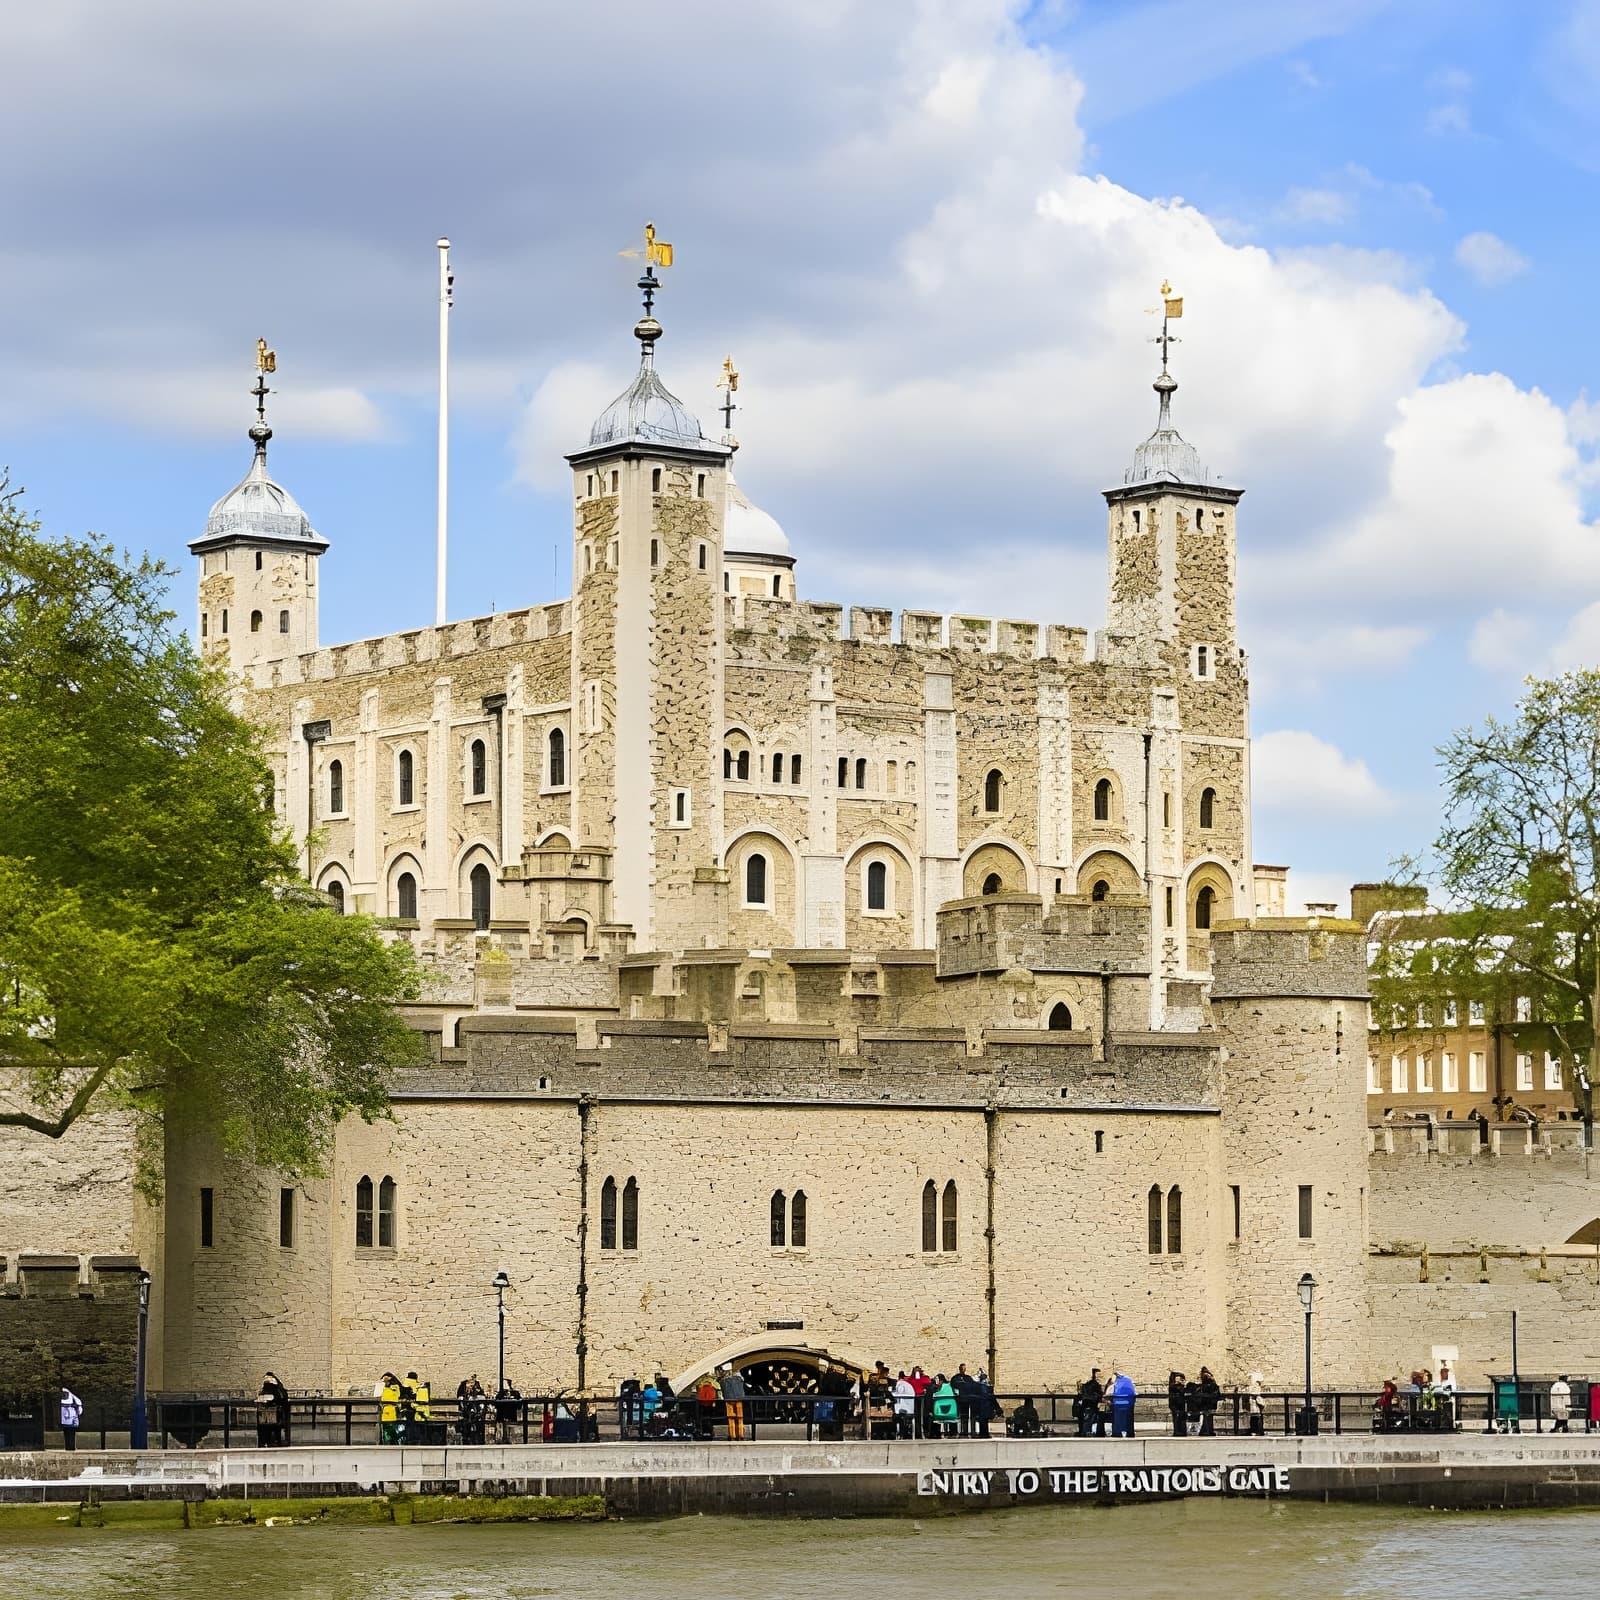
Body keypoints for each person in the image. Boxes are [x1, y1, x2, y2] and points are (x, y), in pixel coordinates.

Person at [1075, 1368, 1104, 1438]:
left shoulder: (1085, 1386)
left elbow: (1082, 1394)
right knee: (1089, 1418)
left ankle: (1084, 1432)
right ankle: (1086, 1432)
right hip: (1091, 1404)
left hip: (1085, 1404)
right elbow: (1099, 1394)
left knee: (1086, 1418)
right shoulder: (1094, 1385)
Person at [721, 1364, 747, 1441]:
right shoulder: (739, 1378)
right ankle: (740, 1435)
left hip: (728, 1400)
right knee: (740, 1417)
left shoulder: (723, 1380)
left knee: (730, 1418)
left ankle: (732, 1435)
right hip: (739, 1399)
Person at [951, 1363, 978, 1437]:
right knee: (957, 1416)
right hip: (958, 1399)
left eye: (964, 1369)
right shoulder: (955, 1378)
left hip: (967, 1399)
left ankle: (965, 1431)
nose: (963, 1370)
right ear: (959, 1369)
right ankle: (956, 1432)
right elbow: (952, 1386)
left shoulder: (968, 1378)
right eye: (962, 1368)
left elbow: (972, 1386)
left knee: (965, 1416)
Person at [1108, 1370, 1137, 1438]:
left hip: (1117, 1404)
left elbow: (1108, 1394)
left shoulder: (1115, 1384)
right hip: (1128, 1403)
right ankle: (1130, 1432)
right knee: (1128, 1419)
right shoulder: (1128, 1381)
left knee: (1117, 1420)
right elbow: (1133, 1393)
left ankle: (1117, 1432)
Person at [695, 1370, 722, 1439]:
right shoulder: (713, 1382)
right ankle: (710, 1431)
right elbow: (719, 1388)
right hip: (711, 1402)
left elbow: (696, 1389)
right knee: (710, 1418)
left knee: (701, 1418)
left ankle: (702, 1431)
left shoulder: (700, 1381)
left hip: (701, 1402)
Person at [1194, 1367, 1221, 1437]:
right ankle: (1207, 1430)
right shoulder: (1210, 1382)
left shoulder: (1206, 1382)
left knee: (1207, 1416)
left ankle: (1207, 1430)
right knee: (1208, 1416)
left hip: (1206, 1401)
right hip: (1208, 1401)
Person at [379, 1372, 402, 1445]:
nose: (384, 1381)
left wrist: (388, 1384)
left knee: (391, 1427)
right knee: (386, 1427)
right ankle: (388, 1441)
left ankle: (393, 1441)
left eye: (386, 1379)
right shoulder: (384, 1387)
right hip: (385, 1410)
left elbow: (396, 1392)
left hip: (391, 1410)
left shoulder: (394, 1386)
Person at [892, 1371, 917, 1440]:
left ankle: (897, 1433)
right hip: (911, 1408)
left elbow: (899, 1393)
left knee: (894, 1415)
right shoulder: (908, 1384)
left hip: (904, 1408)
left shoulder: (900, 1384)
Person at [255, 1375, 277, 1448]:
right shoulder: (273, 1393)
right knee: (269, 1430)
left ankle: (264, 1442)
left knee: (265, 1430)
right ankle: (269, 1442)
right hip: (269, 1417)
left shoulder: (263, 1393)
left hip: (265, 1417)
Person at [59, 1386, 82, 1452]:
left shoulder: (75, 1400)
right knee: (67, 1434)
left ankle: (71, 1446)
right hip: (65, 1421)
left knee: (71, 1434)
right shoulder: (63, 1401)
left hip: (71, 1420)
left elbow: (79, 1410)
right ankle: (68, 1447)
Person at [1166, 1372, 1188, 1437]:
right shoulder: (1173, 1386)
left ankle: (1183, 1431)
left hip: (1182, 1404)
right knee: (1176, 1418)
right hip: (1175, 1404)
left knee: (1182, 1418)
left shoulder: (1182, 1386)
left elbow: (1185, 1393)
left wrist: (1184, 1385)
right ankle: (1177, 1431)